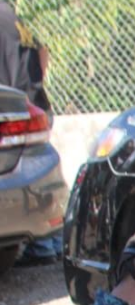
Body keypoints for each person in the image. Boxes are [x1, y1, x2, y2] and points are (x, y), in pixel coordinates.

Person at [0, 1, 58, 265]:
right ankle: (50, 241)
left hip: (13, 106)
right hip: (31, 103)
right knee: (33, 166)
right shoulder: (13, 17)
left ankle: (45, 243)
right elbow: (43, 53)